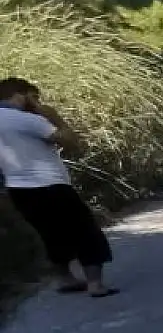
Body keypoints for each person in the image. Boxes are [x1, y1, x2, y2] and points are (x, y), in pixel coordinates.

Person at [0, 78, 118, 297]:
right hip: (51, 185)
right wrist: (55, 118)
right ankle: (95, 284)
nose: (37, 102)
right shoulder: (25, 120)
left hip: (18, 189)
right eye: (34, 97)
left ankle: (66, 279)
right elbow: (72, 143)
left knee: (50, 234)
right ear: (20, 95)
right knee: (85, 231)